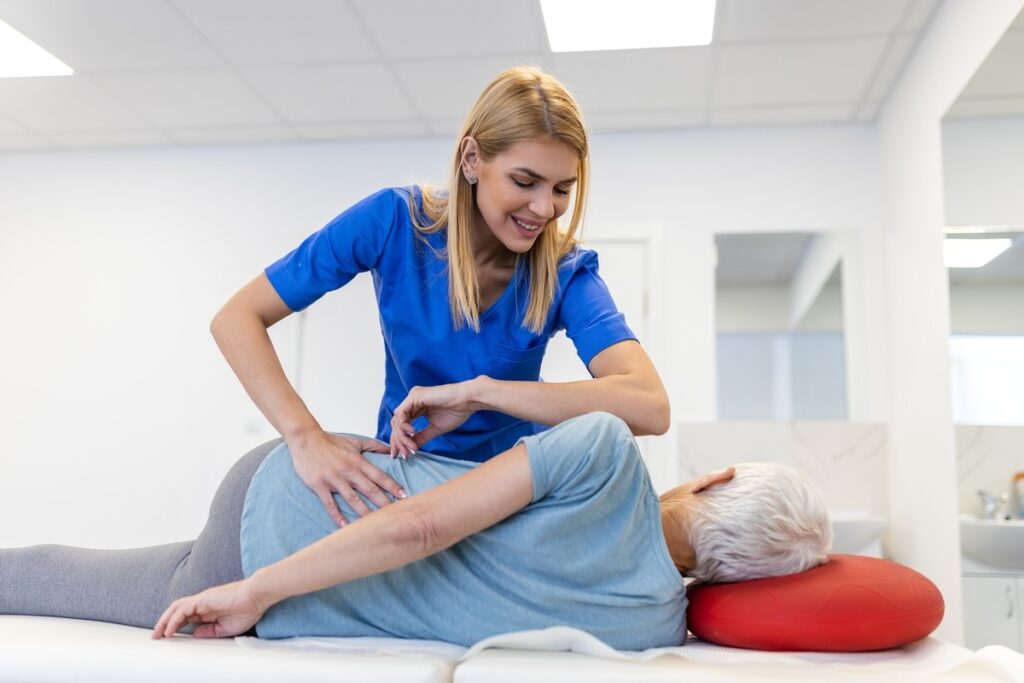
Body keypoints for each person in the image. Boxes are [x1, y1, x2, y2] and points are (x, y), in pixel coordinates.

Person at [212, 65, 670, 528]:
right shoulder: (392, 222)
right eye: (525, 181)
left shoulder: (565, 271)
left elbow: (648, 405)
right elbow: (237, 318)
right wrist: (304, 436)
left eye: (562, 189)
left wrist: (482, 394)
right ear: (472, 159)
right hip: (407, 483)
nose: (544, 208)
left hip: (513, 497)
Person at [0, 413, 832, 650]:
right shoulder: (653, 624)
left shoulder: (609, 451)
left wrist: (252, 591)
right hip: (294, 582)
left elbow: (424, 523)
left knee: (55, 574)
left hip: (287, 505)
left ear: (715, 477)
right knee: (71, 579)